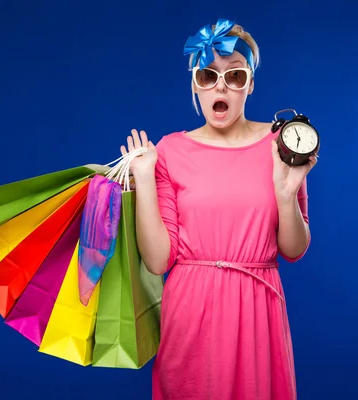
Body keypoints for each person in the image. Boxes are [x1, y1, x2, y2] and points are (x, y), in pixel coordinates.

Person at [119, 18, 317, 400]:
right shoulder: (171, 151)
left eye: (235, 76)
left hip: (257, 310)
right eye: (208, 76)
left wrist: (286, 191)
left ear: (251, 84)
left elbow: (293, 249)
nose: (220, 86)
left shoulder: (282, 143)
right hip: (191, 313)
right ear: (196, 83)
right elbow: (159, 261)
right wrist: (144, 179)